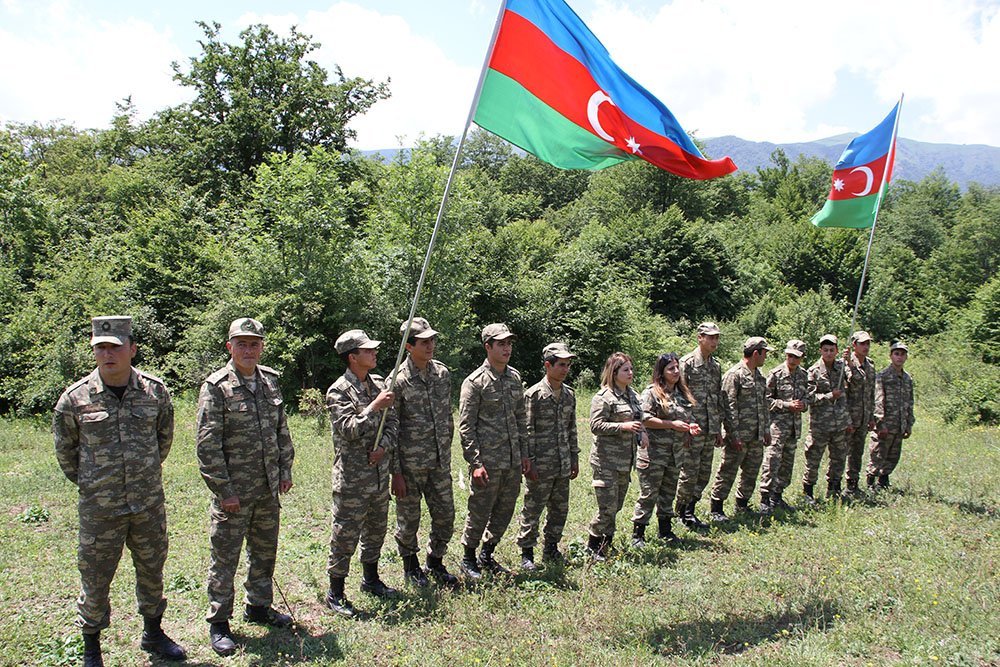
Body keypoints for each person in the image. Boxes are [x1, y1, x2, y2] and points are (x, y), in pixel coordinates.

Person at [53, 316, 186, 667]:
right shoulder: (75, 398)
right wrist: (97, 485)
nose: (108, 354)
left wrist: (141, 476)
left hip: (147, 503)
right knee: (95, 577)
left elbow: (164, 439)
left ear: (132, 349)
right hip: (100, 510)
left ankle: (153, 633)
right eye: (101, 347)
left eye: (115, 346)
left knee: (151, 569)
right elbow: (67, 454)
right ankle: (91, 645)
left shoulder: (155, 392)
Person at [196, 317, 295, 656]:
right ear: (230, 347)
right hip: (234, 494)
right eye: (242, 343)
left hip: (267, 488)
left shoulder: (269, 382)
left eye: (254, 343)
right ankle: (219, 621)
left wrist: (285, 470)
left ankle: (259, 606)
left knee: (265, 552)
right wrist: (225, 491)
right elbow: (207, 446)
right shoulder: (216, 386)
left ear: (262, 346)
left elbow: (281, 430)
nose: (249, 349)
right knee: (225, 557)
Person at [325, 329, 399, 618]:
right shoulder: (339, 390)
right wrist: (373, 407)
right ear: (352, 357)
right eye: (367, 350)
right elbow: (349, 429)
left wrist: (385, 447)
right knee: (345, 535)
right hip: (353, 479)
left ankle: (371, 579)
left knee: (376, 530)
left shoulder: (380, 383)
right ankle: (336, 592)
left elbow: (393, 422)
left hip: (379, 475)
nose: (374, 353)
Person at [458, 323, 533, 579]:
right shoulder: (474, 382)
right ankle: (468, 558)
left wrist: (524, 453)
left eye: (509, 343)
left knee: (505, 510)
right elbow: (466, 427)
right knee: (479, 509)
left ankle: (487, 554)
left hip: (512, 460)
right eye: (501, 344)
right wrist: (475, 463)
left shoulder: (514, 377)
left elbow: (521, 418)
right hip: (488, 461)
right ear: (487, 346)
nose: (507, 348)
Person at [389, 317, 459, 588]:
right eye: (423, 341)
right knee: (409, 521)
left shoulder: (442, 374)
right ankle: (410, 567)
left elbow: (447, 419)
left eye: (432, 340)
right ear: (409, 346)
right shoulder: (398, 380)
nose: (430, 345)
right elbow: (391, 429)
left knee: (446, 516)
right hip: (409, 466)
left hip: (439, 462)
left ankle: (435, 561)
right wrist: (396, 472)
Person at [516, 343, 579, 570]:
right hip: (540, 465)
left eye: (568, 365)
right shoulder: (534, 395)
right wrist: (529, 461)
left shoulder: (569, 395)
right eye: (561, 364)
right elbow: (527, 431)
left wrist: (574, 457)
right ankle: (527, 553)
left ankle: (551, 547)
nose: (565, 369)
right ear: (548, 365)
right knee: (533, 508)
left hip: (562, 462)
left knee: (559, 509)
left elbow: (572, 429)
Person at [631, 353, 700, 546]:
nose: (676, 371)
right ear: (661, 372)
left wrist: (691, 426)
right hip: (654, 453)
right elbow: (644, 418)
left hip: (675, 453)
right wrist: (671, 424)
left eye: (677, 367)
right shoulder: (652, 392)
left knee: (668, 492)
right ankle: (638, 533)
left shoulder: (682, 393)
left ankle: (665, 530)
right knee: (649, 493)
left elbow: (687, 417)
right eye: (671, 368)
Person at [588, 352, 647, 559]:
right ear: (614, 373)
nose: (630, 373)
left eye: (631, 369)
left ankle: (607, 542)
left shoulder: (633, 395)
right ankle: (594, 545)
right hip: (606, 461)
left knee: (617, 505)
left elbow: (639, 419)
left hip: (625, 461)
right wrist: (622, 426)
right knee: (607, 507)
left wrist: (642, 433)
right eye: (625, 370)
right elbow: (595, 425)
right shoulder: (603, 397)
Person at [709, 337, 773, 522]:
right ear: (756, 353)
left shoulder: (759, 376)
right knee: (728, 470)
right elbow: (728, 406)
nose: (766, 357)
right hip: (739, 435)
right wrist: (733, 435)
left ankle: (742, 504)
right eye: (765, 353)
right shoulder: (734, 375)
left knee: (751, 471)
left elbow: (764, 405)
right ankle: (716, 507)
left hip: (756, 434)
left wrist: (766, 430)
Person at [676, 323, 725, 530]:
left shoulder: (716, 366)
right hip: (692, 428)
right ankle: (681, 512)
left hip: (709, 426)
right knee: (689, 471)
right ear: (700, 338)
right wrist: (686, 425)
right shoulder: (686, 363)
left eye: (716, 338)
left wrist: (719, 428)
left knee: (704, 472)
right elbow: (678, 396)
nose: (714, 341)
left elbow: (718, 399)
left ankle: (691, 508)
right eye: (710, 337)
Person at [802, 334, 852, 502]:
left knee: (838, 458)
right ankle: (808, 492)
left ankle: (834, 489)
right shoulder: (813, 371)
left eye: (832, 350)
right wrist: (829, 395)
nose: (829, 353)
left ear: (837, 351)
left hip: (839, 424)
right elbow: (808, 398)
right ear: (820, 351)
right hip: (820, 425)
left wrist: (850, 361)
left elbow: (858, 382)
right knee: (813, 459)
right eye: (825, 350)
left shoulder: (842, 367)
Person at [760, 340, 809, 512]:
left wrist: (804, 404)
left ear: (802, 357)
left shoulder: (803, 375)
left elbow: (807, 397)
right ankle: (765, 498)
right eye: (789, 356)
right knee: (772, 460)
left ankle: (777, 495)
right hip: (777, 426)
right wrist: (786, 405)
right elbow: (766, 400)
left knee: (787, 463)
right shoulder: (776, 374)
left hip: (794, 427)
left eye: (796, 357)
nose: (792, 360)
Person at [867, 341, 915, 489]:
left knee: (893, 455)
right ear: (891, 356)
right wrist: (880, 423)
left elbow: (910, 402)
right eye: (896, 354)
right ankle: (870, 482)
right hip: (886, 424)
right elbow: (878, 400)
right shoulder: (883, 376)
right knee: (878, 453)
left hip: (899, 424)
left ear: (906, 357)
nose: (899, 357)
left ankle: (884, 480)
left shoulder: (907, 379)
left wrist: (908, 423)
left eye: (902, 354)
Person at [843, 331, 877, 496]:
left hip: (864, 417)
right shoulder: (846, 364)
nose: (866, 347)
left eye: (867, 344)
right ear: (854, 345)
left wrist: (871, 417)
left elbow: (871, 393)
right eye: (862, 344)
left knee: (857, 452)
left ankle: (852, 484)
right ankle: (834, 485)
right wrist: (849, 362)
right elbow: (854, 381)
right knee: (842, 451)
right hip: (849, 416)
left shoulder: (870, 365)